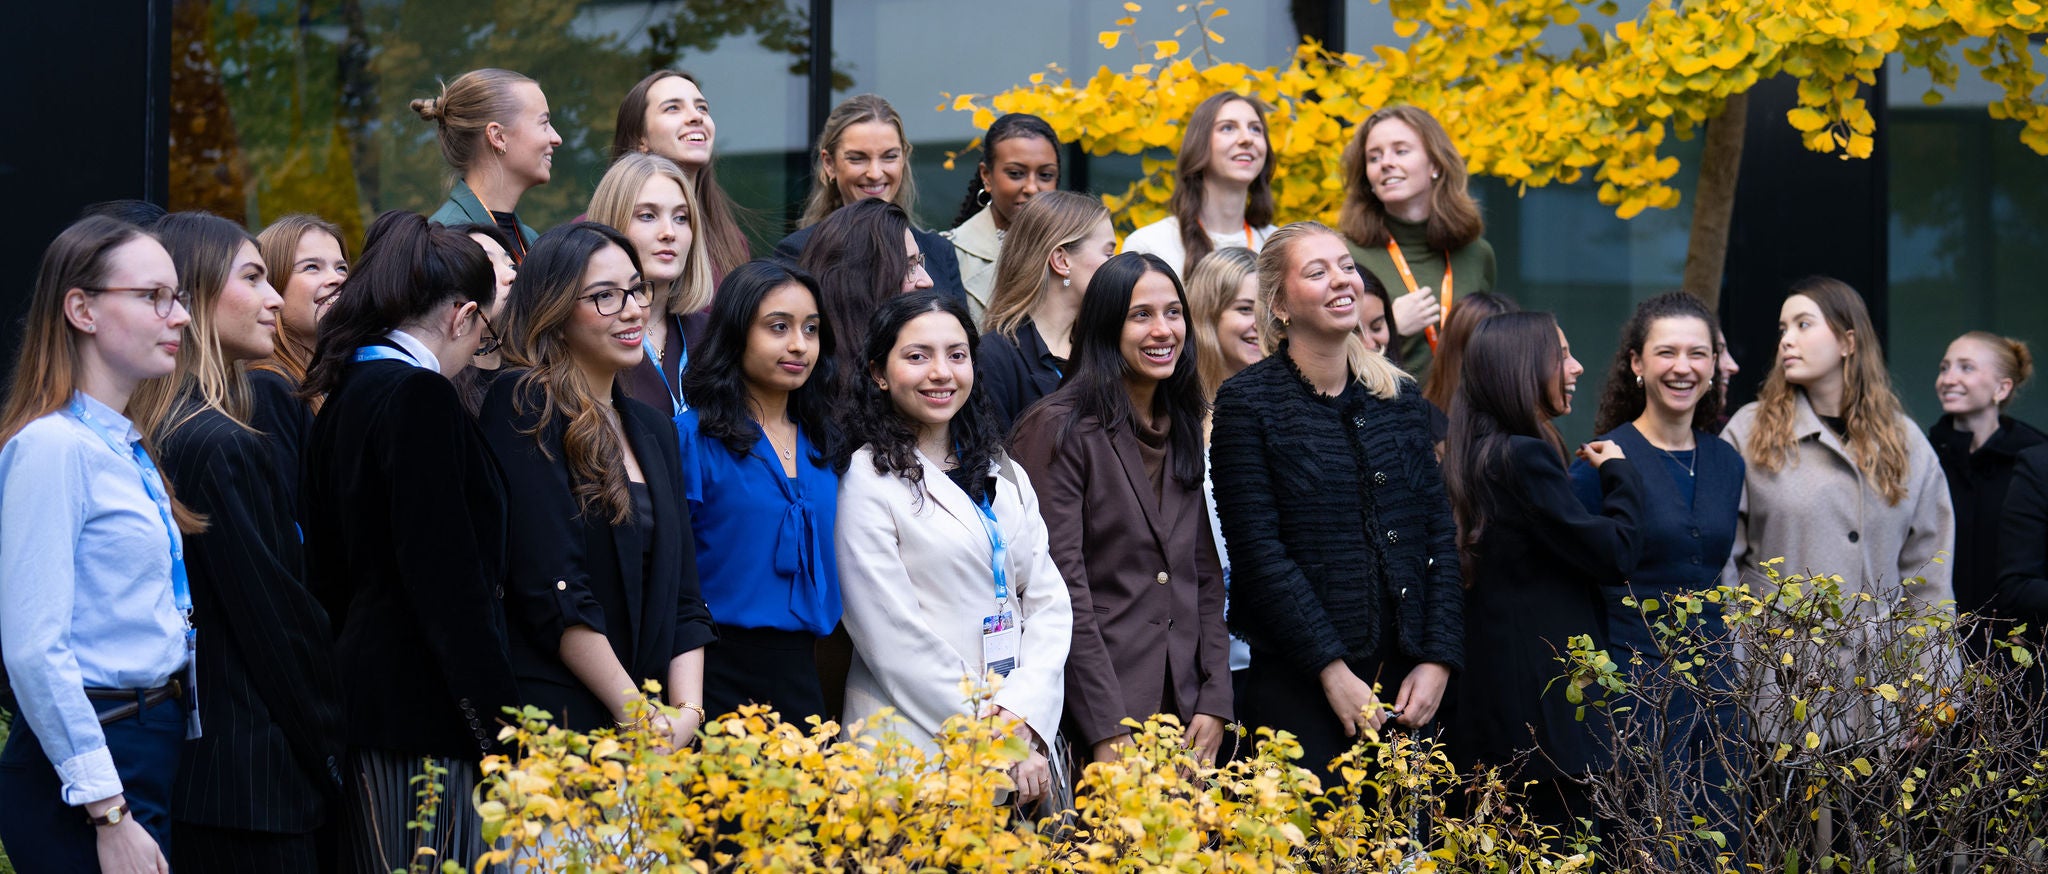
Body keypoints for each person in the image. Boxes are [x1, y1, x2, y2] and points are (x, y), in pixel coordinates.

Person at [299, 211, 517, 873]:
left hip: (371, 707)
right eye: (485, 329)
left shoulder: (347, 391)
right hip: (425, 721)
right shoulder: (418, 394)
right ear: (464, 315)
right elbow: (448, 584)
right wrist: (500, 737)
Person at [129, 212, 344, 871]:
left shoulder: (156, 427)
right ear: (189, 297)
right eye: (253, 278)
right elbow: (277, 622)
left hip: (196, 771)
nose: (275, 298)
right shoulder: (221, 441)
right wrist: (331, 750)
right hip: (251, 784)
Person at [1209, 222, 1462, 775]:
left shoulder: (1397, 395)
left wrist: (1439, 656)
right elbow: (1258, 552)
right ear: (1278, 304)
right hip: (1299, 685)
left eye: (1345, 266)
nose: (1341, 280)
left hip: (1407, 684)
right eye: (1317, 272)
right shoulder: (1247, 403)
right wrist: (1330, 668)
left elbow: (1438, 535)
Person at [0, 216, 195, 873]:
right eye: (152, 297)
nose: (179, 317)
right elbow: (32, 648)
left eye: (180, 297)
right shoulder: (53, 448)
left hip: (144, 743)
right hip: (94, 764)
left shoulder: (122, 444)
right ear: (81, 309)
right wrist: (108, 812)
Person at [480, 222, 716, 743]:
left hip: (658, 731)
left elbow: (684, 593)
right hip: (564, 725)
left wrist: (687, 716)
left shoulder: (652, 428)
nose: (632, 308)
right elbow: (552, 588)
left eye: (635, 289)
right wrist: (638, 716)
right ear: (556, 310)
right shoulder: (525, 403)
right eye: (604, 297)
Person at [835, 291, 1073, 805]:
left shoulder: (1002, 470)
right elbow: (894, 640)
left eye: (957, 354)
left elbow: (1049, 602)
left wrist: (1022, 713)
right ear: (879, 372)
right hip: (914, 746)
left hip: (1017, 737)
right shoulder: (864, 480)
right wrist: (997, 735)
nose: (941, 372)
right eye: (917, 356)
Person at [1009, 252, 1232, 766]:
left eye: (1173, 312)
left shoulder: (1180, 422)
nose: (1163, 330)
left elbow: (1202, 575)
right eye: (1141, 315)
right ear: (1107, 326)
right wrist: (1106, 727)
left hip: (1188, 717)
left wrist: (1216, 699)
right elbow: (1061, 590)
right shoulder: (1057, 429)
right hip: (1098, 715)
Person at [1721, 277, 1956, 741]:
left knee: (1871, 813)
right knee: (1783, 811)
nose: (1787, 339)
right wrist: (1738, 669)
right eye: (1783, 327)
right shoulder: (1750, 432)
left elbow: (1929, 578)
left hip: (1880, 690)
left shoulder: (1906, 442)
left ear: (1849, 340)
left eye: (1804, 324)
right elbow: (1724, 563)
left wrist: (1931, 689)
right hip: (1779, 685)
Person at [1443, 310, 1644, 835]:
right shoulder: (1522, 458)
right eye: (1561, 355)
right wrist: (1621, 474)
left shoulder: (1478, 454)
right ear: (1522, 367)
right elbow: (1613, 554)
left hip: (1496, 714)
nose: (1576, 367)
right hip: (1544, 720)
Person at [1570, 292, 1745, 864]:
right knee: (1643, 847)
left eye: (1699, 353)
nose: (1683, 367)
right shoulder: (1602, 459)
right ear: (1637, 364)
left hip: (1716, 692)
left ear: (1715, 364)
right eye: (1666, 352)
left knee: (1719, 845)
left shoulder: (1727, 462)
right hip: (1632, 689)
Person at [676, 260, 841, 723]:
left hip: (806, 671)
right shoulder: (691, 439)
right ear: (736, 334)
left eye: (811, 329)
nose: (799, 345)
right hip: (713, 671)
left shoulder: (824, 442)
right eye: (778, 327)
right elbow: (670, 575)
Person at [1340, 105, 1499, 382]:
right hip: (1386, 416)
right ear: (1368, 178)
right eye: (1374, 157)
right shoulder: (1345, 256)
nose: (1386, 163)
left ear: (1435, 165)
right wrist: (1391, 328)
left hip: (1466, 420)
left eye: (1401, 151)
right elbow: (1326, 358)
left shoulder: (1477, 254)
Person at [772, 94, 967, 302]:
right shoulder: (798, 253)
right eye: (857, 158)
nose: (875, 173)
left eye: (890, 156)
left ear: (904, 158)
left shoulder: (938, 252)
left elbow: (963, 333)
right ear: (829, 163)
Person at [1929, 332, 2043, 636]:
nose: (1949, 379)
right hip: (1940, 640)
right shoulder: (1924, 458)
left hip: (2019, 642)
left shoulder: (2034, 460)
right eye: (1944, 368)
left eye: (1966, 368)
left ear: (2002, 387)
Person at [586, 152, 717, 416]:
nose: (669, 232)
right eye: (648, 216)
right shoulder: (587, 333)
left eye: (681, 218)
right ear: (612, 223)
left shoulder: (711, 335)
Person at [977, 191, 1116, 432]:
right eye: (1108, 253)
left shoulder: (1106, 346)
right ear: (1062, 261)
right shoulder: (992, 357)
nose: (1116, 265)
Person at [611, 69, 751, 278]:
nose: (696, 117)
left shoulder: (732, 241)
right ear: (641, 137)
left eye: (702, 108)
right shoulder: (596, 230)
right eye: (673, 108)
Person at [1120, 92, 1278, 277]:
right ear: (1199, 144)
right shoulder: (1149, 246)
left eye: (1256, 129)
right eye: (1227, 128)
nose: (1247, 138)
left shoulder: (1279, 246)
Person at [413, 67, 560, 260]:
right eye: (544, 123)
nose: (556, 138)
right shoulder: (445, 241)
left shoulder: (530, 239)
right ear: (498, 136)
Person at [797, 198, 934, 393]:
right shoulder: (809, 389)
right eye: (907, 267)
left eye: (919, 263)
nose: (927, 281)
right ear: (858, 282)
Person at [249, 214, 348, 482]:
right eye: (312, 267)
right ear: (272, 284)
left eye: (341, 268)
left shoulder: (342, 377)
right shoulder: (268, 386)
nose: (335, 279)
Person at [944, 113, 1062, 319]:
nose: (1032, 188)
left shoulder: (1077, 248)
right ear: (986, 176)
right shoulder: (947, 253)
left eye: (1045, 175)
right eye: (1016, 173)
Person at [448, 223, 520, 416]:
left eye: (511, 264)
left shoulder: (534, 371)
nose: (512, 275)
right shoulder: (444, 391)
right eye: (488, 266)